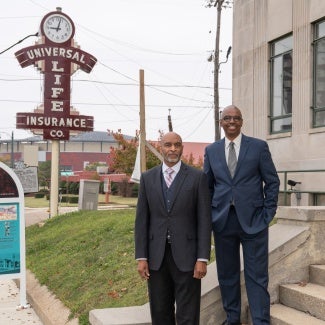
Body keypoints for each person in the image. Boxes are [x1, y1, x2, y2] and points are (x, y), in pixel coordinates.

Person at [203, 105, 280, 325]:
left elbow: (272, 182)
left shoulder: (258, 147)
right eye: (227, 118)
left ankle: (260, 321)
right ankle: (232, 318)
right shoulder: (211, 151)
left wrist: (268, 213)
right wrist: (210, 216)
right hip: (223, 221)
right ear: (221, 122)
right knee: (227, 275)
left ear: (242, 121)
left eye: (236, 118)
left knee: (257, 277)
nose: (232, 121)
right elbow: (207, 188)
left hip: (254, 221)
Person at [135, 131, 212, 325]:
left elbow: (204, 220)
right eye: (168, 145)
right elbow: (142, 220)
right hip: (156, 258)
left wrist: (202, 258)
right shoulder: (148, 178)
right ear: (161, 147)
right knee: (160, 313)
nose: (173, 149)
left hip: (188, 257)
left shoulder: (197, 177)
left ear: (182, 148)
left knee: (188, 315)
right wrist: (141, 257)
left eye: (177, 145)